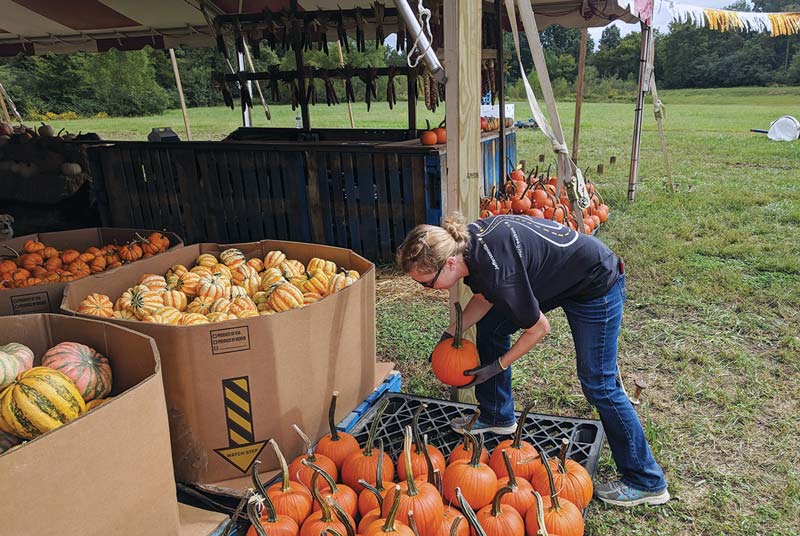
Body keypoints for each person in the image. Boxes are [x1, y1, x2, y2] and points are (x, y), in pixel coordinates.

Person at [396, 212, 669, 507]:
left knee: (598, 384)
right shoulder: (467, 245)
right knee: (490, 327)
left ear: (449, 263)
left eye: (426, 283)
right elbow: (485, 298)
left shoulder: (497, 271)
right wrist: (451, 334)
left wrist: (495, 367)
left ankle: (646, 480)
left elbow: (538, 329)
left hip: (595, 285)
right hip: (561, 278)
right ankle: (497, 415)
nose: (425, 289)